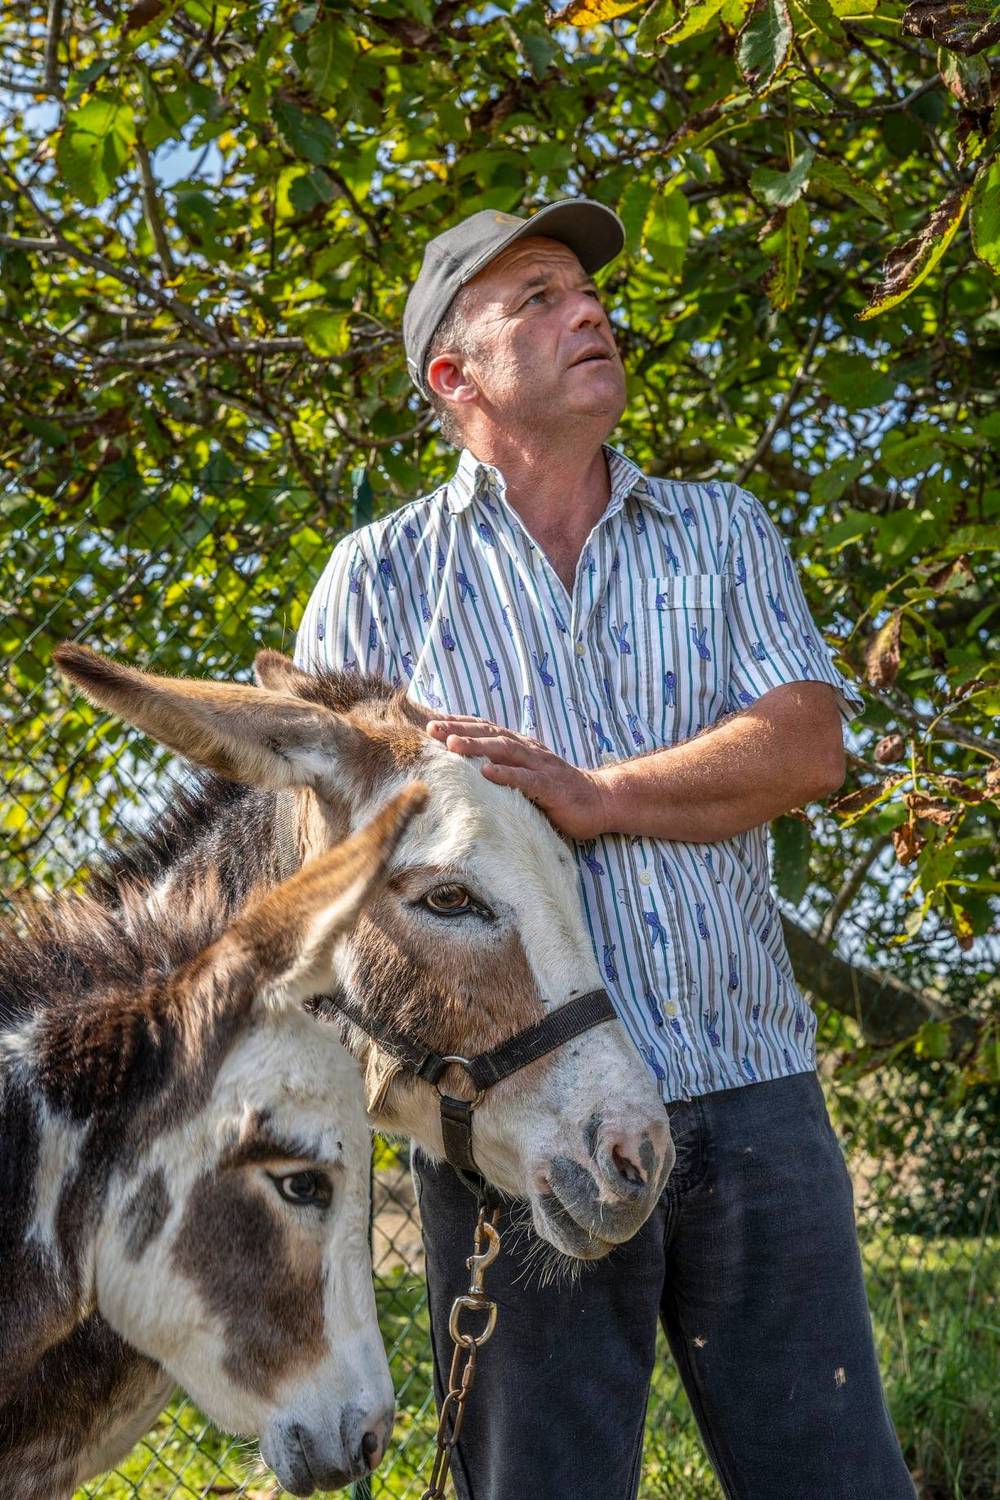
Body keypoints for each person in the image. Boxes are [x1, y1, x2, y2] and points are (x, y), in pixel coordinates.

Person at [294, 199, 916, 1500]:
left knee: (836, 1479)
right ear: (452, 377)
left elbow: (809, 744)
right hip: (517, 1130)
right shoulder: (376, 578)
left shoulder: (723, 530)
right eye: (537, 298)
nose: (590, 312)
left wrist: (596, 794)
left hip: (751, 1099)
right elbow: (337, 878)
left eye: (587, 291)